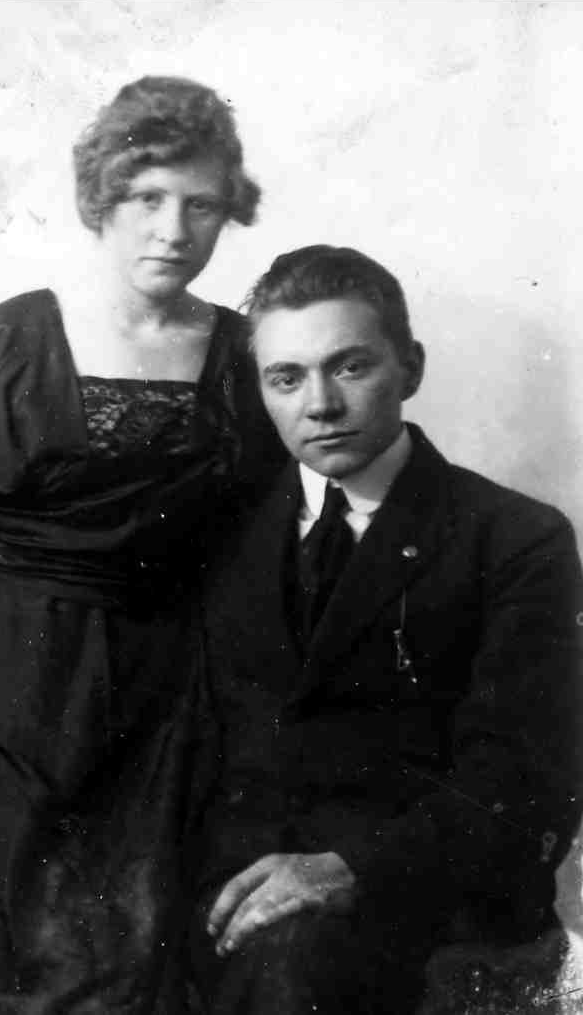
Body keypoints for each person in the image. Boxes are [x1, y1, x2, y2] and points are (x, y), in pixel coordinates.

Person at [0, 76, 284, 1015]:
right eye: (147, 198)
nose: (173, 230)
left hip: (160, 725)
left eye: (202, 205)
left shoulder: (248, 359)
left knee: (132, 975)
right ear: (101, 199)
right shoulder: (8, 340)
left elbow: (270, 569)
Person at [190, 245, 583, 1014]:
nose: (320, 405)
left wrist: (348, 869)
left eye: (350, 367)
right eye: (286, 378)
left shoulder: (514, 538)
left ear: (411, 368)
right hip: (239, 907)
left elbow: (524, 780)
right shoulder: (224, 538)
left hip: (431, 908)